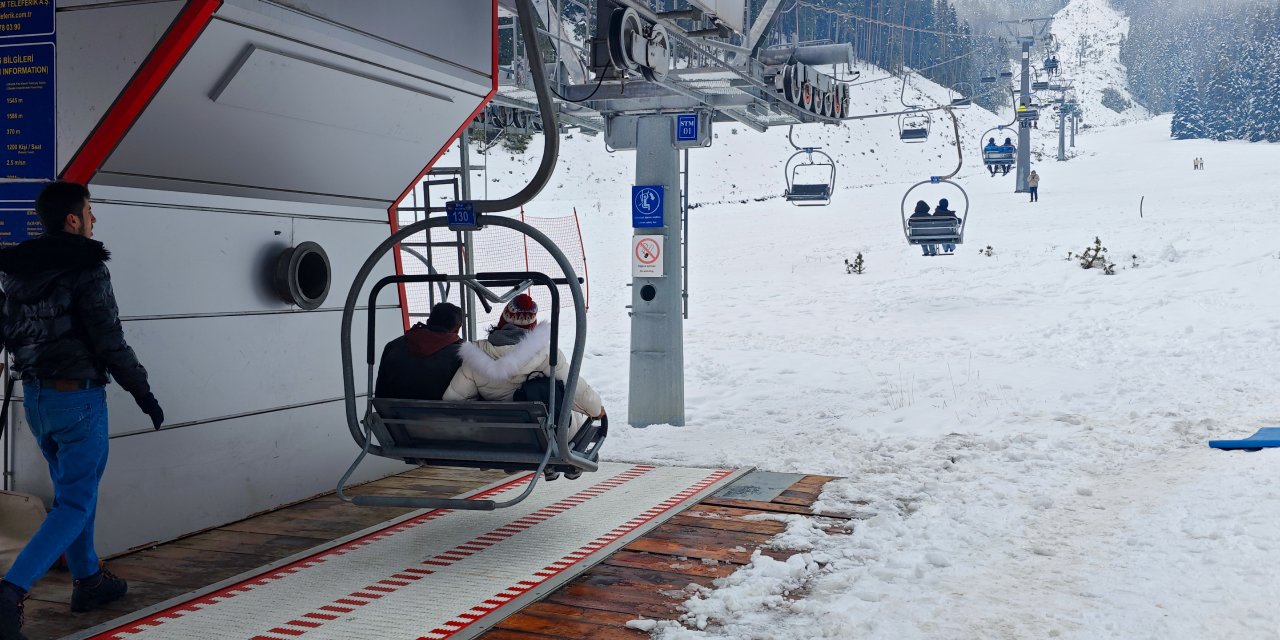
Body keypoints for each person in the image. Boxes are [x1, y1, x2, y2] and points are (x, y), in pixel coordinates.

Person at [0, 181, 164, 640]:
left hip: (37, 399)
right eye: (90, 211)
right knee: (75, 501)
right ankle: (10, 591)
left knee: (76, 490)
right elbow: (109, 339)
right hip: (78, 400)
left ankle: (88, 580)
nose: (95, 219)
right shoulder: (88, 267)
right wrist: (143, 393)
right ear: (73, 220)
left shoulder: (16, 271)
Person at [443, 293, 604, 439]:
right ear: (532, 326)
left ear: (502, 321)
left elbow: (454, 400)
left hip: (493, 435)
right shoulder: (546, 355)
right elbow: (575, 390)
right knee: (575, 415)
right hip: (539, 438)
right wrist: (596, 409)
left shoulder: (474, 356)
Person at [374, 302, 465, 401]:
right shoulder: (462, 354)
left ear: (428, 321)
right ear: (456, 329)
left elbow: (380, 394)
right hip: (443, 410)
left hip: (394, 410)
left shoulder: (393, 346)